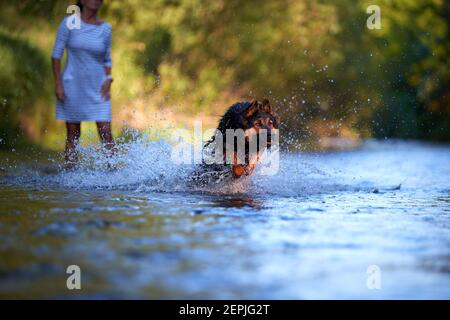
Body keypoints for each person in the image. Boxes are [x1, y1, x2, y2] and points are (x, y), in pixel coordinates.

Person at [51, 0, 115, 169]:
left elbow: (107, 58)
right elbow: (56, 55)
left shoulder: (105, 28)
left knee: (106, 133)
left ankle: (114, 174)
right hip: (72, 85)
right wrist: (58, 84)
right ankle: (71, 172)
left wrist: (109, 78)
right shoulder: (69, 23)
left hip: (99, 86)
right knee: (73, 133)